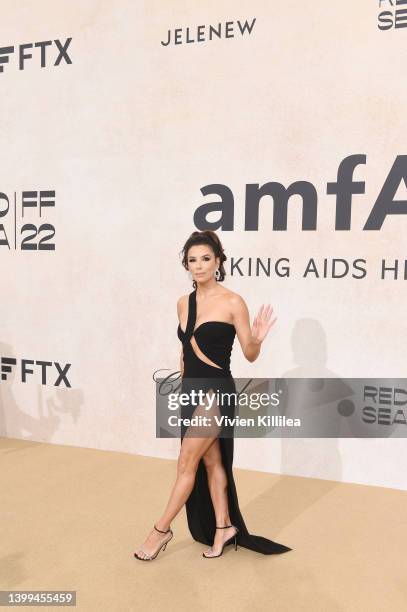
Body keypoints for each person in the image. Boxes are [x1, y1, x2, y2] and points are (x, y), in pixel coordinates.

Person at [134, 230, 292, 560]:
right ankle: (223, 527)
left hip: (216, 391)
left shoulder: (233, 302)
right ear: (186, 265)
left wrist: (258, 339)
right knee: (212, 460)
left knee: (185, 463)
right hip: (190, 391)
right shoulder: (183, 303)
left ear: (218, 261)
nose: (199, 265)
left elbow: (249, 354)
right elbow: (184, 350)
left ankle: (160, 530)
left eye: (206, 258)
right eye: (192, 260)